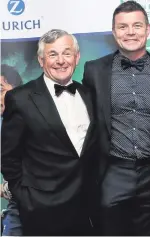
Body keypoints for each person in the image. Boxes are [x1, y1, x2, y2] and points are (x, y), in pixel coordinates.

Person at [82, 1, 150, 235]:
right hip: (113, 170)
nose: (130, 32)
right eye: (123, 27)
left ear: (147, 29)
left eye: (137, 26)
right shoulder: (94, 70)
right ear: (114, 32)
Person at [1, 29, 96, 236]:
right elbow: (8, 157)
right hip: (42, 210)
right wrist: (26, 196)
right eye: (53, 54)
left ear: (77, 57)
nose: (61, 61)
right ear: (41, 60)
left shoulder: (89, 94)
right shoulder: (20, 98)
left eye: (67, 53)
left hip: (86, 209)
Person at [1, 64, 23, 236]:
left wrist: (5, 189)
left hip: (42, 205)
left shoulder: (34, 122)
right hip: (16, 206)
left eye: (1, 89)